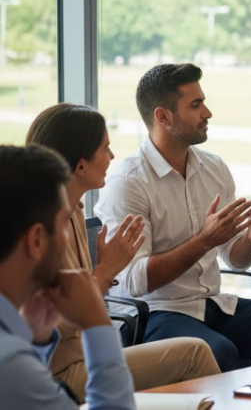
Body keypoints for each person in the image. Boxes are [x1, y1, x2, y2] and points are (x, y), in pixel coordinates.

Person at [95, 64, 251, 371]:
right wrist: (205, 240)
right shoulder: (129, 183)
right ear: (162, 117)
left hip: (213, 304)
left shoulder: (214, 168)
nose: (208, 112)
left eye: (203, 101)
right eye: (195, 105)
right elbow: (137, 281)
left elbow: (236, 259)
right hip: (155, 313)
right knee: (220, 352)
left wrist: (250, 240)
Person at [27, 103, 221, 401]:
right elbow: (52, 325)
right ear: (81, 166)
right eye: (105, 149)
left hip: (87, 355)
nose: (112, 157)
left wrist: (104, 271)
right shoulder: (42, 230)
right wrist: (105, 272)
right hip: (61, 372)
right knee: (195, 353)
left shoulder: (74, 212)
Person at [0, 144, 135, 409]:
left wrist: (37, 340)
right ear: (37, 240)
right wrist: (97, 324)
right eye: (63, 224)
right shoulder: (9, 365)